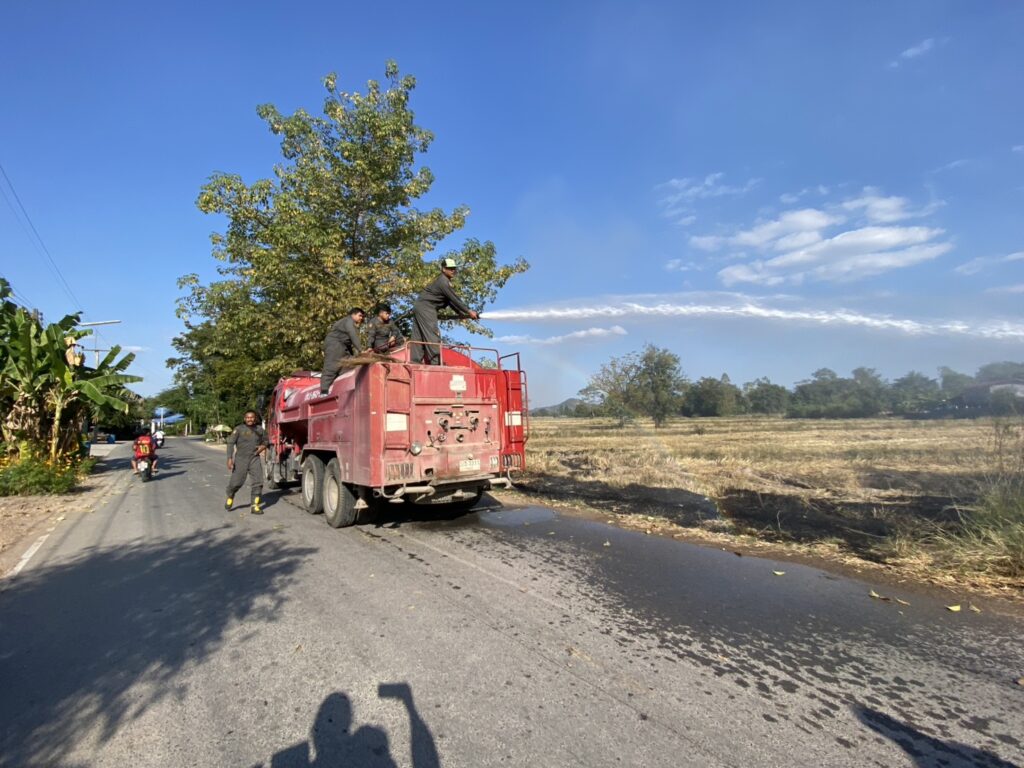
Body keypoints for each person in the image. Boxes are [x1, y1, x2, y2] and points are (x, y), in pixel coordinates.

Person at [410, 258, 479, 365]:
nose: (453, 271)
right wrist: (469, 311)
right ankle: (436, 364)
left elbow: (449, 301)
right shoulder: (443, 282)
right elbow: (454, 299)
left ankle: (415, 363)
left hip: (420, 306)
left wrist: (459, 312)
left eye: (454, 268)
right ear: (443, 269)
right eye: (450, 268)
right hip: (427, 308)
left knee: (418, 336)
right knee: (432, 335)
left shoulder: (443, 281)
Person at [225, 410, 270, 514]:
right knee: (236, 482)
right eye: (248, 417)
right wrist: (229, 458)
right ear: (244, 418)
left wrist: (263, 447)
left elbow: (266, 440)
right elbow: (230, 443)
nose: (250, 419)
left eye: (252, 417)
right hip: (241, 459)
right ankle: (230, 495)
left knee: (258, 482)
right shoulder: (238, 429)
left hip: (254, 458)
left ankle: (254, 506)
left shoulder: (260, 429)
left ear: (255, 418)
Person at [320, 307, 365, 394]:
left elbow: (348, 343)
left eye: (362, 316)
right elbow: (352, 335)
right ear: (353, 315)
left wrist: (354, 356)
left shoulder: (348, 323)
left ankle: (342, 391)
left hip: (342, 347)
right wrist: (361, 350)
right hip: (334, 345)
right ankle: (324, 392)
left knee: (348, 366)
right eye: (360, 315)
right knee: (331, 367)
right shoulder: (348, 321)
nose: (361, 318)